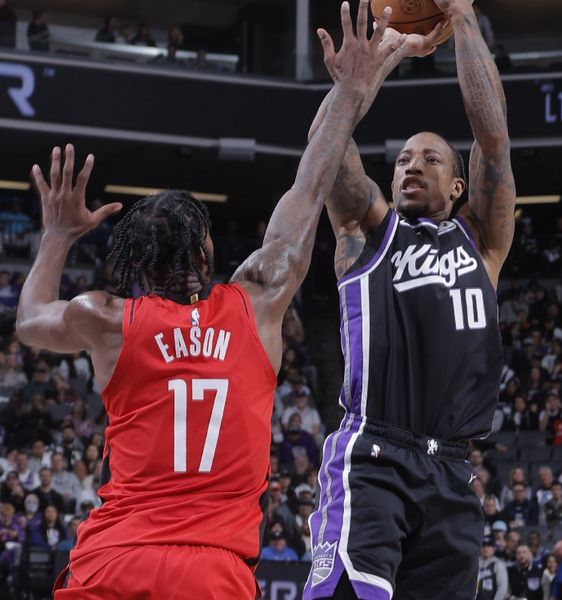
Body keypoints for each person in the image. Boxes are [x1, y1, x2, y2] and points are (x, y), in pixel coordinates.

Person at [18, 5, 404, 596]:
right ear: (205, 254)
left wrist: (57, 236)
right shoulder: (261, 298)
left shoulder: (103, 319)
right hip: (213, 570)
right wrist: (353, 89)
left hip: (113, 561)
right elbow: (311, 182)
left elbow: (27, 321)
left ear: (139, 265)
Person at [304, 0, 516, 596]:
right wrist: (379, 60)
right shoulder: (366, 230)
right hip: (374, 459)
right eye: (401, 159)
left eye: (429, 158)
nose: (410, 166)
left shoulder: (482, 244)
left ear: (458, 184)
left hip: (452, 471)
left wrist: (462, 16)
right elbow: (325, 150)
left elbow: (493, 139)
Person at [478, 536, 509, 600]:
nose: (486, 549)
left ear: (494, 548)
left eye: (489, 546)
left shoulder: (498, 564)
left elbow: (502, 588)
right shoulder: (475, 563)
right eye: (483, 546)